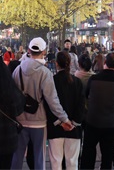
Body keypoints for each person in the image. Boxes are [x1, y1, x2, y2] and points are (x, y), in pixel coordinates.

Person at [11, 37, 73, 170]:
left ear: (29, 50)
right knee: (39, 157)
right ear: (44, 51)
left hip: (20, 119)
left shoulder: (17, 70)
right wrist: (64, 118)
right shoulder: (45, 73)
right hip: (38, 121)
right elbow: (52, 100)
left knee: (17, 156)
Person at [80, 53, 114, 170]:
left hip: (93, 120)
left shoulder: (94, 78)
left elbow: (87, 95)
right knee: (107, 154)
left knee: (88, 151)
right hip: (110, 122)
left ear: (105, 63)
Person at [45, 51, 85, 170]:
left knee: (56, 162)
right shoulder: (77, 82)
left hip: (56, 128)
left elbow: (48, 104)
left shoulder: (52, 81)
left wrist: (61, 122)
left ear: (56, 64)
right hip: (74, 128)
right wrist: (73, 123)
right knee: (72, 163)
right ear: (71, 63)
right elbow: (81, 105)